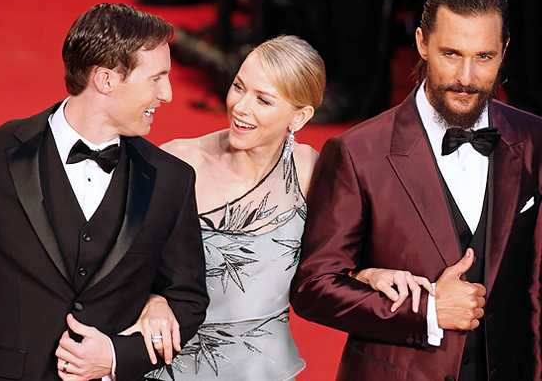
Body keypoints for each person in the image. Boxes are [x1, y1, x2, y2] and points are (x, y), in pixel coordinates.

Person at [120, 35, 435, 381]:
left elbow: (330, 263)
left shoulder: (309, 171)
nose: (241, 107)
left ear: (299, 117)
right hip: (174, 362)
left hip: (263, 369)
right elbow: (120, 264)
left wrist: (370, 273)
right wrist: (153, 300)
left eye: (263, 100)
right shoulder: (179, 163)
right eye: (239, 87)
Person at [291, 0, 542, 381]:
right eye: (451, 54)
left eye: (484, 57)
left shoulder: (534, 139)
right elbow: (314, 287)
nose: (466, 77)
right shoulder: (358, 151)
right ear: (422, 43)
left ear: (504, 51)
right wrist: (426, 312)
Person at [0, 3, 209, 380]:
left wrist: (117, 355)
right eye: (156, 78)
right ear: (105, 80)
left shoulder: (172, 179)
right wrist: (4, 316)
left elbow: (187, 297)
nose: (166, 94)